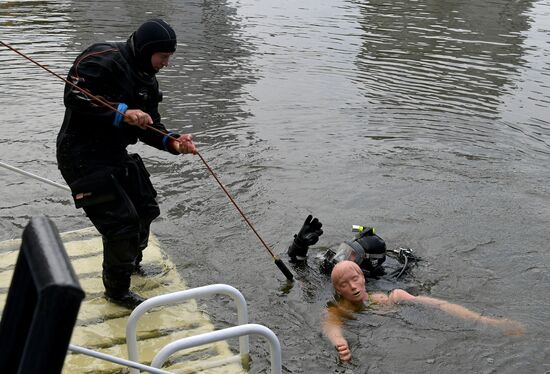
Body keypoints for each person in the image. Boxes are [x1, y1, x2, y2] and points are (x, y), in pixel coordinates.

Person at [56, 19, 197, 309]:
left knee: (145, 207)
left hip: (113, 154)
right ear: (147, 50)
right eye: (164, 57)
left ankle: (131, 265)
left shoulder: (147, 80)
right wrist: (122, 112)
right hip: (81, 155)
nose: (167, 64)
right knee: (122, 225)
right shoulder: (103, 58)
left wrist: (173, 143)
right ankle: (117, 293)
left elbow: (150, 126)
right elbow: (74, 95)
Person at [322, 261, 525, 363]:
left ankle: (487, 321)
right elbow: (330, 325)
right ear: (338, 290)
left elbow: (439, 305)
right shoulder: (341, 309)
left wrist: (484, 320)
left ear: (363, 277)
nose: (353, 286)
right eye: (344, 284)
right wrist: (339, 342)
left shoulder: (391, 297)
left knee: (404, 295)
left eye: (355, 278)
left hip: (401, 307)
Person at [287, 215, 393, 278]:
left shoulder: (375, 283)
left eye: (353, 256)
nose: (342, 257)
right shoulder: (332, 266)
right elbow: (296, 266)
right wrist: (300, 245)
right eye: (346, 250)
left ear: (369, 264)